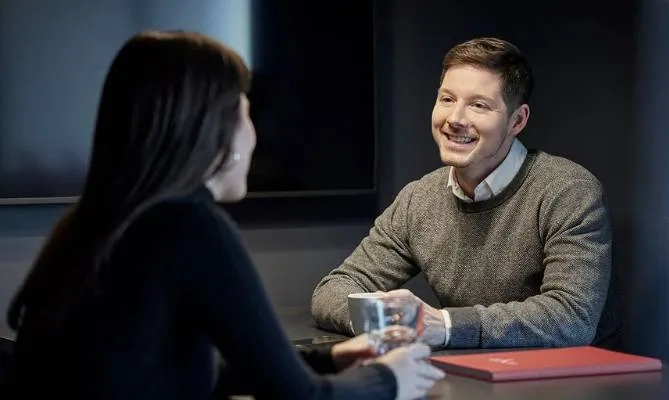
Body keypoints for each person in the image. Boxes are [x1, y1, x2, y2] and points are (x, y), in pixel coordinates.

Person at [4, 31, 444, 400]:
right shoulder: (189, 227)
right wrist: (390, 379)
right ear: (215, 130)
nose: (255, 137)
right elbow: (302, 397)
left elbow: (185, 370)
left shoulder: (94, 227)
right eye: (246, 114)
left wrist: (331, 357)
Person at [311, 37, 618, 350]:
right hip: (471, 377)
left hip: (570, 382)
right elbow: (334, 288)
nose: (455, 119)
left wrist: (444, 325)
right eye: (446, 99)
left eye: (479, 105)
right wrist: (378, 319)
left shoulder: (568, 191)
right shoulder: (419, 199)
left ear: (517, 120)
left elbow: (572, 318)